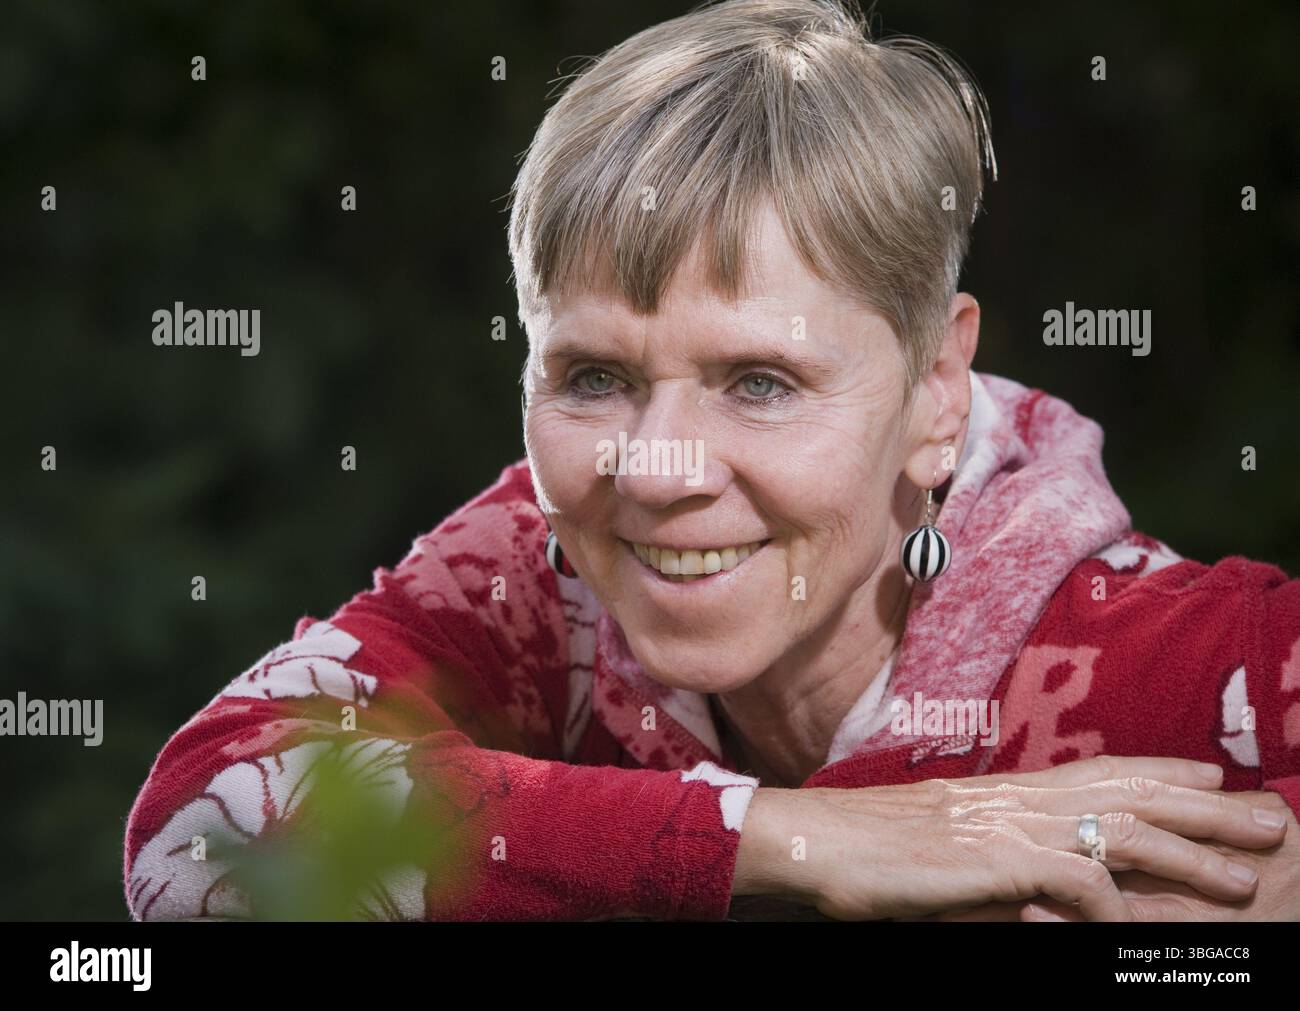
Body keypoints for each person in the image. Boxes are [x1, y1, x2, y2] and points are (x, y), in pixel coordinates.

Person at [124, 0, 1300, 921]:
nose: (655, 470)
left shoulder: (1195, 661)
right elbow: (196, 836)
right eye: (595, 377)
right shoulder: (540, 574)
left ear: (936, 392)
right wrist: (786, 839)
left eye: (759, 382)